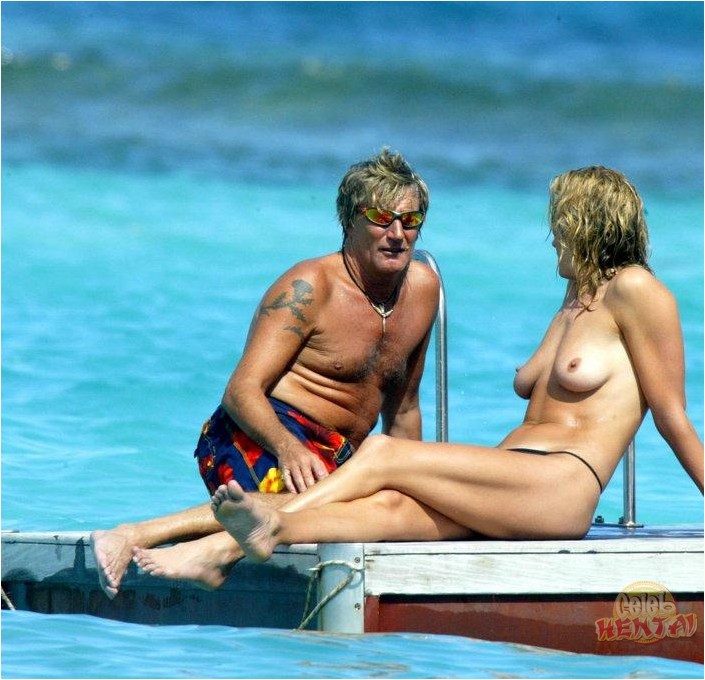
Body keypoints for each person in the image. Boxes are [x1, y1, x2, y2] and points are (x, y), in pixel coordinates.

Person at [206, 165, 704, 562]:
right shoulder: (577, 297)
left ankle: (262, 531)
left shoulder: (637, 288)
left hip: (560, 486)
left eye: (559, 225)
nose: (552, 237)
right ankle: (202, 545)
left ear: (585, 226)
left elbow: (672, 418)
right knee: (391, 507)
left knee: (381, 454)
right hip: (517, 478)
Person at [91, 148, 440, 598]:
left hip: (341, 452)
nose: (397, 234)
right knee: (328, 498)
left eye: (410, 221)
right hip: (260, 430)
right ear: (349, 220)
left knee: (387, 505)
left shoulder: (423, 290)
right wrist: (288, 448)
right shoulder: (309, 288)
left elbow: (404, 408)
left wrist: (414, 481)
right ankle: (135, 534)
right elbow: (241, 391)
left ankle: (215, 547)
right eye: (380, 218)